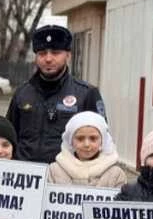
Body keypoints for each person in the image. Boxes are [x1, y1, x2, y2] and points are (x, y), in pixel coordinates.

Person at [7, 24, 107, 164]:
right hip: (25, 177)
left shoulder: (87, 94)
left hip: (65, 178)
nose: (48, 59)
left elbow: (102, 142)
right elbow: (9, 138)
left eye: (55, 53)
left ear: (68, 55)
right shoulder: (21, 94)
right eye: (42, 53)